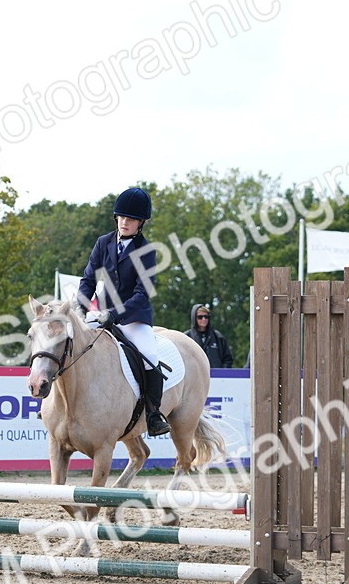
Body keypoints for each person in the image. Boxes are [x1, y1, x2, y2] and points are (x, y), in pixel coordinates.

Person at [77, 186, 170, 436]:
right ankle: (55, 402)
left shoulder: (146, 251)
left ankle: (153, 414)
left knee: (149, 357)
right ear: (116, 217)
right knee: (68, 341)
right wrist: (82, 307)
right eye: (122, 217)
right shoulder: (103, 243)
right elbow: (88, 279)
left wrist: (115, 315)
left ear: (141, 223)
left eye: (131, 218)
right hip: (101, 314)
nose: (125, 222)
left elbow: (142, 293)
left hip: (132, 318)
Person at [185, 304, 234, 368]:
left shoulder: (218, 337)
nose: (204, 319)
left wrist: (222, 373)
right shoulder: (186, 337)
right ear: (194, 318)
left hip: (216, 376)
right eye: (200, 317)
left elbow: (228, 359)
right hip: (195, 376)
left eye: (206, 316)